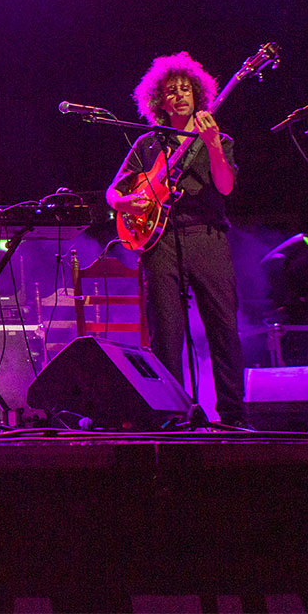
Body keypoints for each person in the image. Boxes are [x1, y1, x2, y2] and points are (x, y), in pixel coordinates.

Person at [106, 51, 246, 426]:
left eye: (186, 88)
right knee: (166, 335)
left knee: (223, 329)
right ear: (160, 101)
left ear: (198, 94)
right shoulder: (147, 145)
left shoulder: (220, 139)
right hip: (160, 243)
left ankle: (233, 415)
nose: (180, 95)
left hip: (207, 237)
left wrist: (214, 144)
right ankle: (173, 416)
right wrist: (127, 201)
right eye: (172, 90)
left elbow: (226, 187)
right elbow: (113, 193)